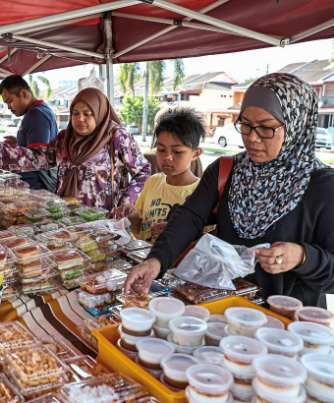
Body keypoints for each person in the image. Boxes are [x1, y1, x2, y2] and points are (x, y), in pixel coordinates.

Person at [125, 73, 334, 308]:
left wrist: (303, 257)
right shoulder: (228, 170)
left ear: (297, 124)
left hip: (286, 326)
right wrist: (156, 260)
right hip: (223, 309)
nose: (252, 138)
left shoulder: (322, 186)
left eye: (266, 128)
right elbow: (190, 216)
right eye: (245, 125)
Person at [0, 87, 150, 209]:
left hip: (105, 220)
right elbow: (34, 158)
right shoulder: (65, 139)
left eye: (87, 114)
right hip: (67, 217)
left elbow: (143, 171)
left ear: (99, 113)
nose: (80, 119)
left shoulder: (116, 137)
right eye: (75, 113)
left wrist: (126, 204)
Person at [113, 108, 204, 242]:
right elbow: (140, 231)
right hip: (145, 258)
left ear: (195, 153)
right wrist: (133, 217)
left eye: (177, 151)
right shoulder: (152, 182)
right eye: (161, 150)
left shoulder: (202, 193)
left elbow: (207, 244)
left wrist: (180, 235)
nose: (167, 157)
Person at [0, 75, 58, 190]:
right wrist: (17, 145)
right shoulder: (41, 110)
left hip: (35, 188)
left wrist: (6, 152)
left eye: (10, 101)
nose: (9, 107)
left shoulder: (36, 115)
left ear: (24, 94)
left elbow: (37, 158)